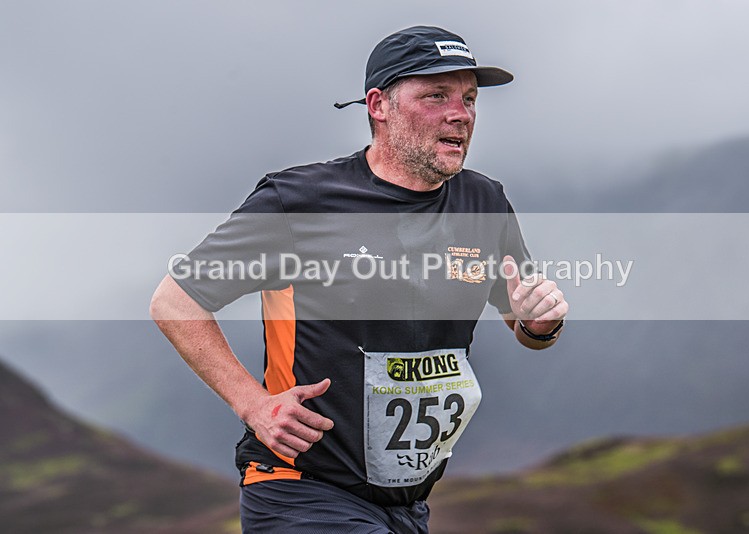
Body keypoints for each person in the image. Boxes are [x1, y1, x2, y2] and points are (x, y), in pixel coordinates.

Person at [150, 25, 568, 534]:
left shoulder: (483, 203)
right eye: (436, 96)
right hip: (299, 488)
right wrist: (253, 403)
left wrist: (541, 324)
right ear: (379, 105)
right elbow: (176, 299)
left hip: (408, 507)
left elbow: (524, 324)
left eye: (470, 99)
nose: (460, 114)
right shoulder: (302, 202)